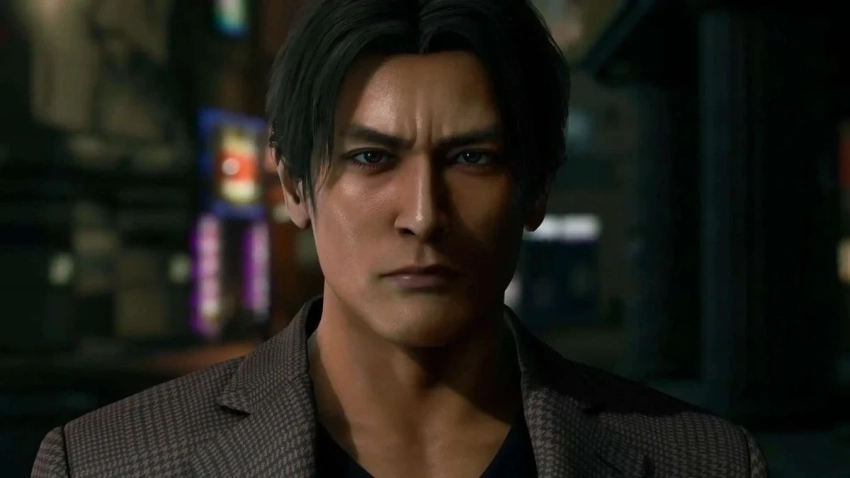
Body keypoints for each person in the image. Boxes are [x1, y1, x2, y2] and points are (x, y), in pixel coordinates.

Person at [32, 0, 769, 476]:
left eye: (471, 158)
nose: (423, 213)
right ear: (294, 186)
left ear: (537, 188)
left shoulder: (703, 463)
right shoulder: (104, 463)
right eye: (371, 158)